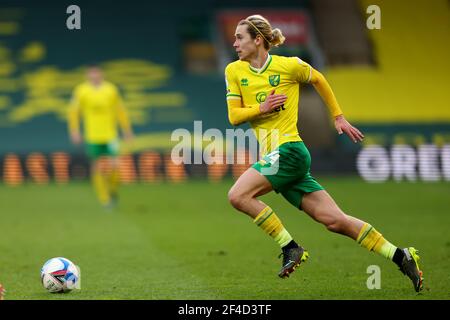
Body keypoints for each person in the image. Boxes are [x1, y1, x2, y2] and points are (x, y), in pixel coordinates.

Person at [225, 15, 423, 292]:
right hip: (278, 158)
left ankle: (290, 247)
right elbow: (234, 117)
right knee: (335, 221)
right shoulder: (234, 71)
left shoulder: (289, 66)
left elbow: (318, 78)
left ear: (258, 39)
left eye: (239, 37)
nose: (234, 43)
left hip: (289, 150)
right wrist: (261, 108)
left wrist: (338, 117)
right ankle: (400, 255)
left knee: (237, 195)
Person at [68, 65, 134, 208]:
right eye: (91, 75)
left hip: (111, 135)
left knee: (115, 165)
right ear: (87, 76)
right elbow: (74, 112)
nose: (94, 77)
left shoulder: (111, 90)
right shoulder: (81, 91)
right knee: (96, 166)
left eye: (96, 74)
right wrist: (74, 131)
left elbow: (120, 110)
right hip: (92, 136)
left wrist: (126, 129)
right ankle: (104, 198)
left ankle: (113, 188)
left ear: (101, 75)